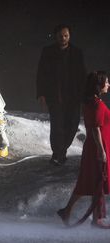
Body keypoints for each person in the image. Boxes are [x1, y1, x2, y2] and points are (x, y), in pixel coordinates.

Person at [57, 71, 110, 228]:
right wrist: (101, 151)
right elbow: (95, 129)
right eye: (106, 82)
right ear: (98, 85)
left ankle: (67, 211)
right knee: (97, 182)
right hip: (97, 148)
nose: (108, 85)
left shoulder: (92, 102)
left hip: (95, 147)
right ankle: (97, 219)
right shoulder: (96, 104)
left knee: (90, 182)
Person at [36, 24, 87, 165]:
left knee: (72, 125)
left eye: (66, 36)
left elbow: (83, 75)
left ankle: (61, 151)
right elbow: (41, 74)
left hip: (73, 97)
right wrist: (41, 94)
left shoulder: (77, 52)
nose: (63, 38)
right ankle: (57, 154)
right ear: (55, 36)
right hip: (55, 96)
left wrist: (84, 96)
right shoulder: (47, 51)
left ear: (69, 36)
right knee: (57, 126)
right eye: (60, 36)